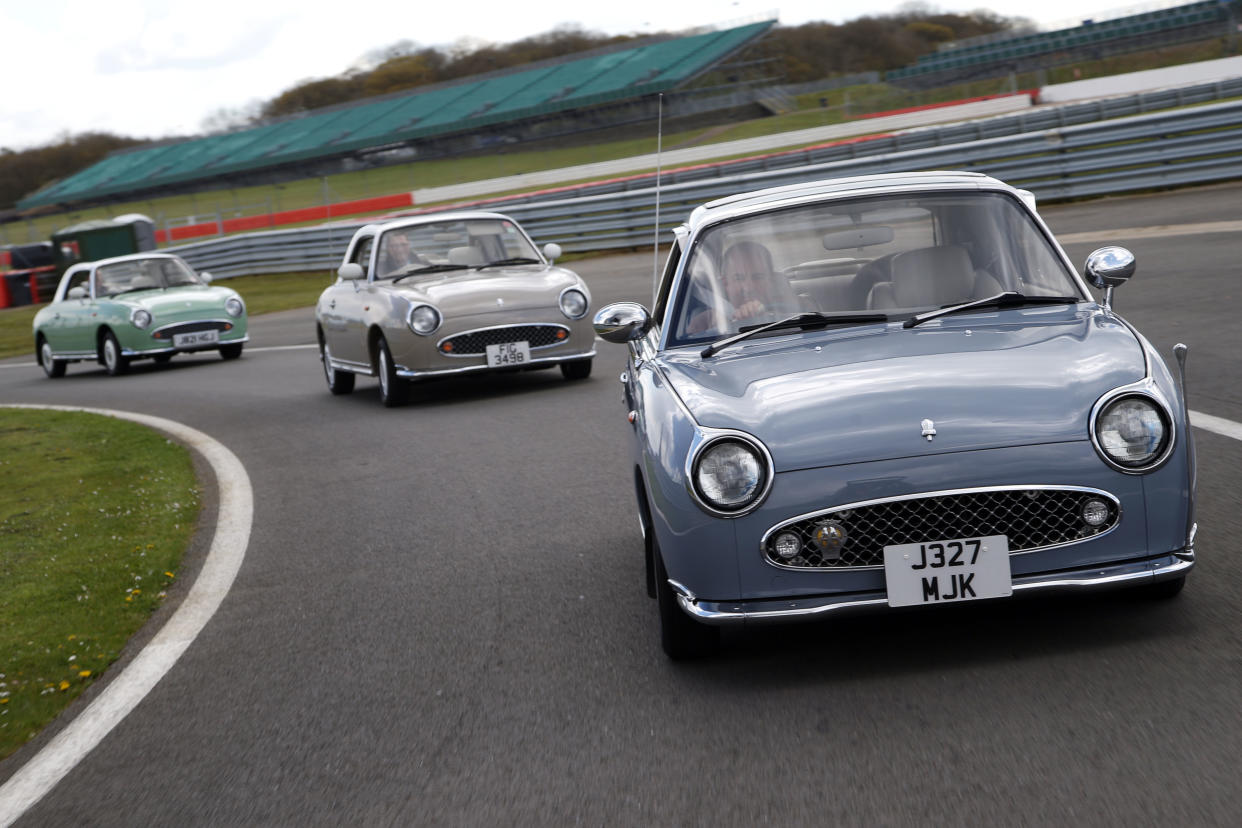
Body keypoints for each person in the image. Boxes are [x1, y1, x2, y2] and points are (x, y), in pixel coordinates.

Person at [685, 240, 799, 335]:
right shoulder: (704, 322)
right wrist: (719, 330)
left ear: (771, 281)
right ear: (725, 284)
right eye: (738, 278)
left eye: (758, 277)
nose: (748, 288)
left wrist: (770, 319)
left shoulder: (797, 312)